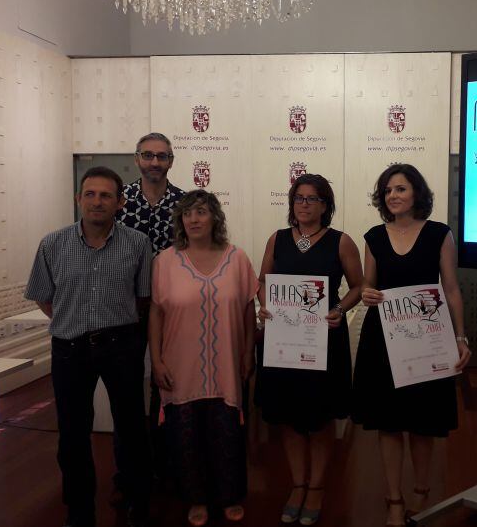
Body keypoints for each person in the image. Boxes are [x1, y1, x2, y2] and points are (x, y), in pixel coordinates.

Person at [25, 166, 152, 527]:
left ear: (120, 202)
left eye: (106, 195)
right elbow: (44, 297)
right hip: (70, 349)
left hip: (122, 346)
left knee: (131, 429)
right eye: (91, 194)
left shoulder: (138, 244)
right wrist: (73, 321)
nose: (98, 201)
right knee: (73, 433)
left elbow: (142, 298)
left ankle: (136, 499)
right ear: (78, 199)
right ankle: (79, 510)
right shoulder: (52, 244)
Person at [351, 163, 472, 527]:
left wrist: (460, 336)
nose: (393, 196)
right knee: (388, 423)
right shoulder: (373, 236)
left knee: (422, 423)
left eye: (400, 189)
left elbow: (451, 288)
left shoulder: (439, 234)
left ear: (416, 193)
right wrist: (367, 295)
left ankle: (420, 494)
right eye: (388, 191)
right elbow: (368, 286)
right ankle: (394, 498)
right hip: (383, 339)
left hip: (428, 340)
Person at [256, 173, 363, 525]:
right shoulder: (278, 239)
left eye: (312, 199)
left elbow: (358, 287)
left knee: (319, 420)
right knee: (288, 417)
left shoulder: (340, 241)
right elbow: (263, 282)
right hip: (283, 342)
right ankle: (298, 485)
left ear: (325, 205)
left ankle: (316, 488)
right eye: (299, 198)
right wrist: (265, 305)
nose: (304, 204)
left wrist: (339, 309)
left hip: (322, 341)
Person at [148, 190, 258, 527]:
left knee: (227, 435)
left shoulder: (237, 258)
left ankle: (228, 496)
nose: (194, 219)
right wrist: (157, 361)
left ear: (215, 218)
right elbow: (156, 313)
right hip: (180, 366)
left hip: (226, 365)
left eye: (201, 212)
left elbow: (246, 310)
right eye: (187, 214)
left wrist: (247, 352)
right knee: (185, 438)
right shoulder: (165, 261)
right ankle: (195, 498)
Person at [116, 131, 185, 495]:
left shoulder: (185, 203)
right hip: (126, 309)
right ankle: (129, 474)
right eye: (148, 155)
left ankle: (166, 465)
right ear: (137, 158)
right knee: (126, 392)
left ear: (171, 161)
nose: (155, 162)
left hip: (171, 310)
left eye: (162, 156)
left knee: (166, 387)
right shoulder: (119, 200)